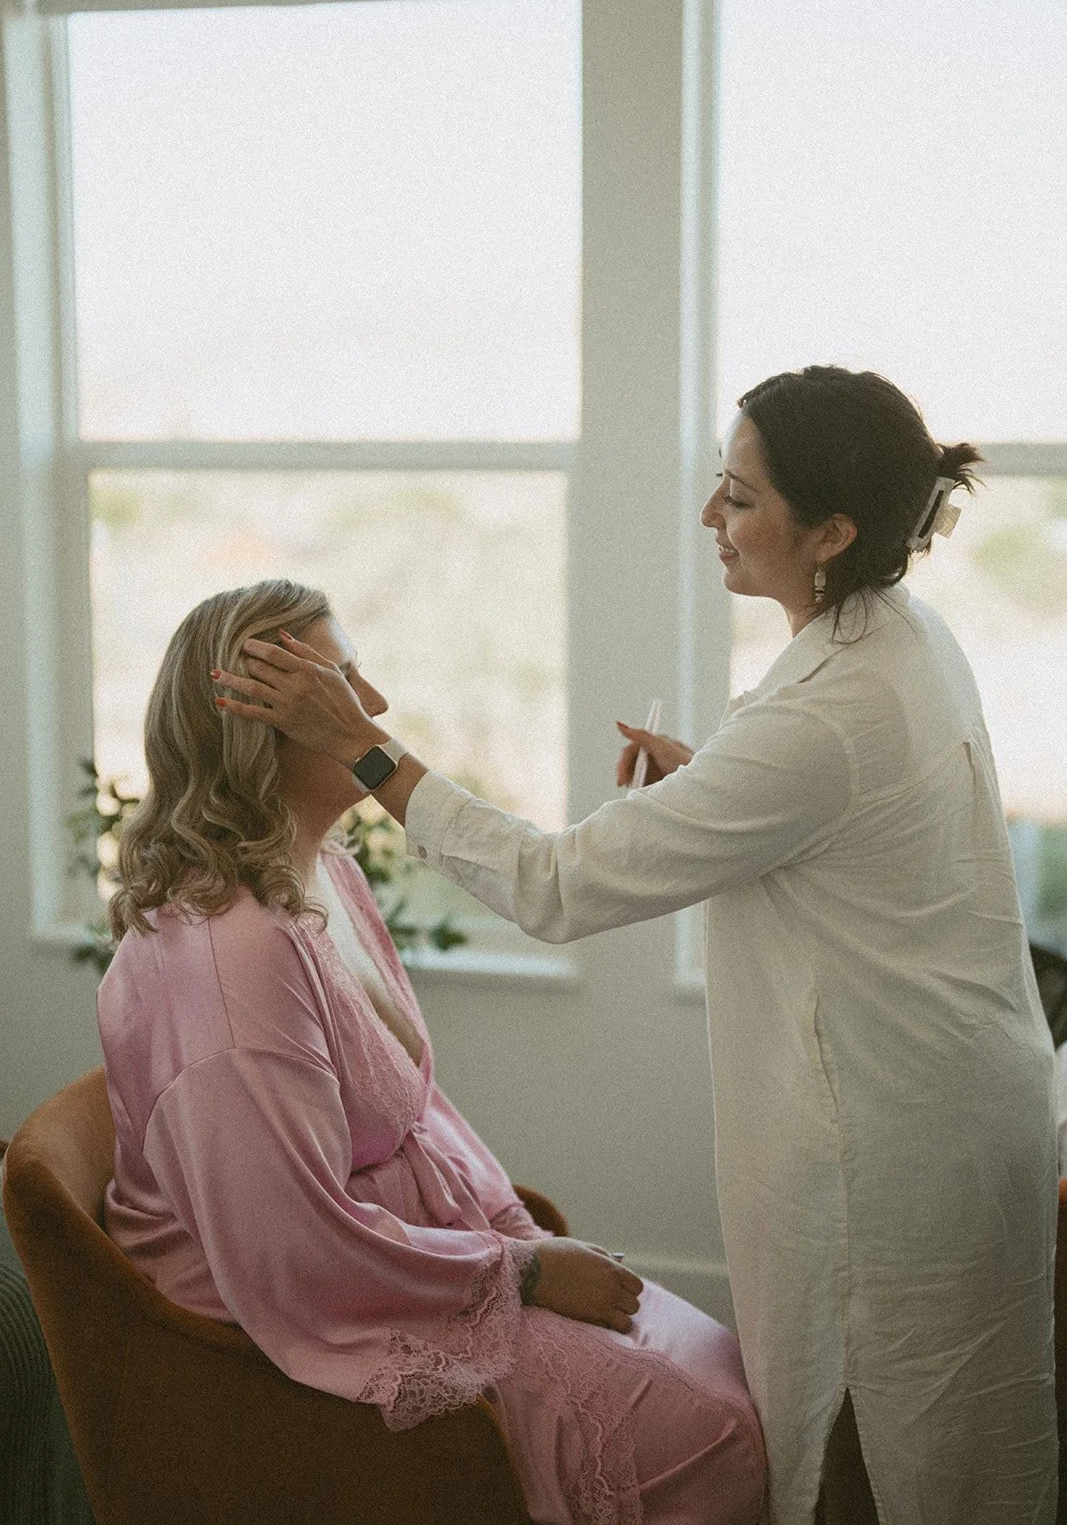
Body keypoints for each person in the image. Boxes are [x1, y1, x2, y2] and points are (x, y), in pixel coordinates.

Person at [215, 366, 1059, 1525]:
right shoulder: (901, 636)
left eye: (740, 498)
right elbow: (847, 824)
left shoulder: (823, 713)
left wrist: (364, 747)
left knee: (883, 1454)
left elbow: (552, 885)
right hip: (962, 1100)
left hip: (892, 1149)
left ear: (830, 532)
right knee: (942, 1446)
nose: (710, 515)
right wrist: (709, 793)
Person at [98, 579, 767, 1525]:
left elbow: (417, 1117)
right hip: (287, 1330)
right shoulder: (231, 958)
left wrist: (515, 1236)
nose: (373, 705)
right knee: (714, 1437)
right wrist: (521, 1273)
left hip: (421, 1258)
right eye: (340, 686)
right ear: (255, 729)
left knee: (730, 1379)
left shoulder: (324, 877)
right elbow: (290, 1247)